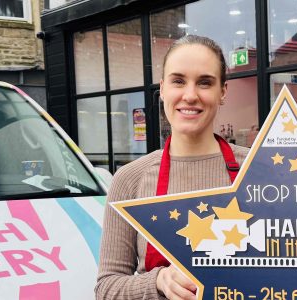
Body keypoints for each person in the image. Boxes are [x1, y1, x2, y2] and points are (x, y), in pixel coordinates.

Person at [96, 35, 249, 300]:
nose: (190, 95)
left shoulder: (257, 169)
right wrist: (158, 281)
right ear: (163, 88)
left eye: (204, 82)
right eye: (178, 81)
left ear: (223, 91)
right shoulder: (130, 179)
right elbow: (106, 288)